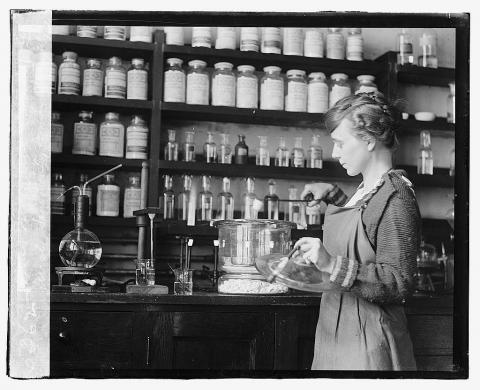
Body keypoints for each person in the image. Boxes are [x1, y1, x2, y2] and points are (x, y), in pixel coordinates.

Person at [295, 92, 420, 370]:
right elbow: (365, 223)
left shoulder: (397, 197)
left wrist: (330, 263)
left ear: (368, 140)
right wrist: (334, 195)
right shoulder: (369, 189)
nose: (335, 153)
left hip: (370, 343)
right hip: (337, 333)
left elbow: (399, 282)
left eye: (340, 143)